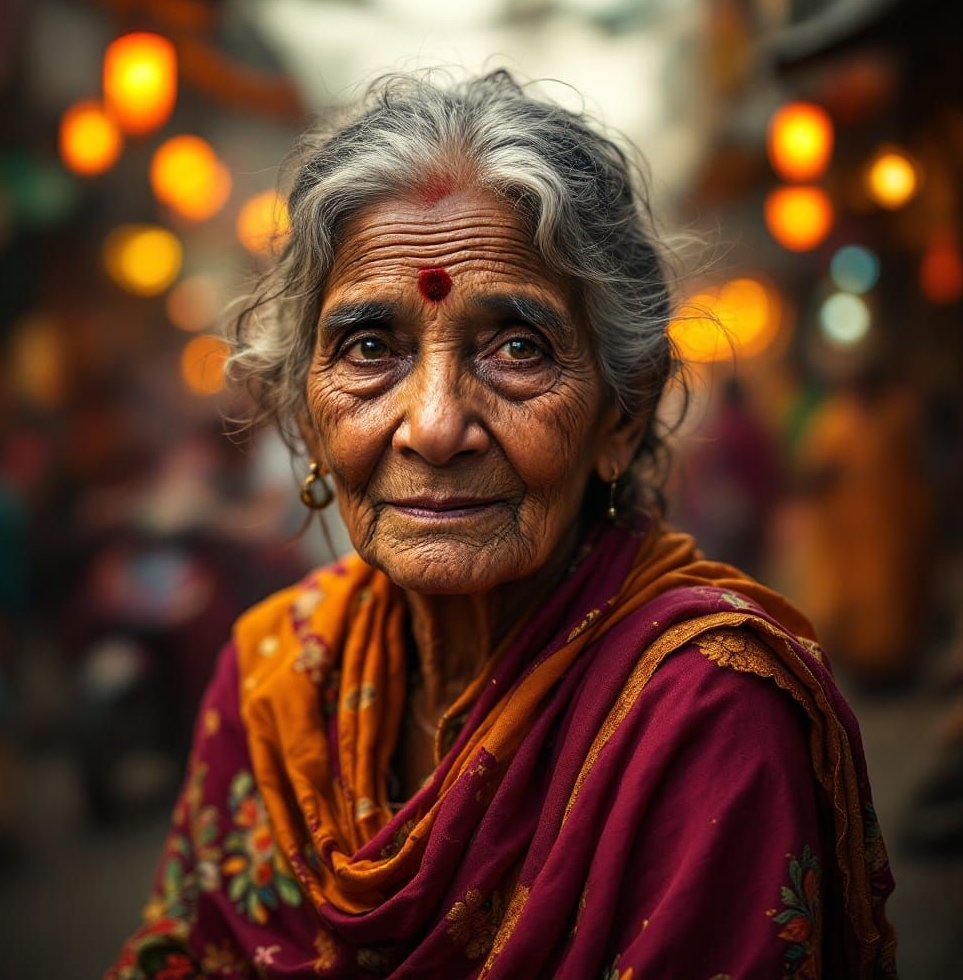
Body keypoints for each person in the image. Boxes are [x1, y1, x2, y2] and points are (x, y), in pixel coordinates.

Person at [106, 70, 897, 979]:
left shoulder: (708, 715)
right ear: (306, 414)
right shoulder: (271, 676)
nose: (436, 426)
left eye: (518, 347)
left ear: (623, 413)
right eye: (371, 348)